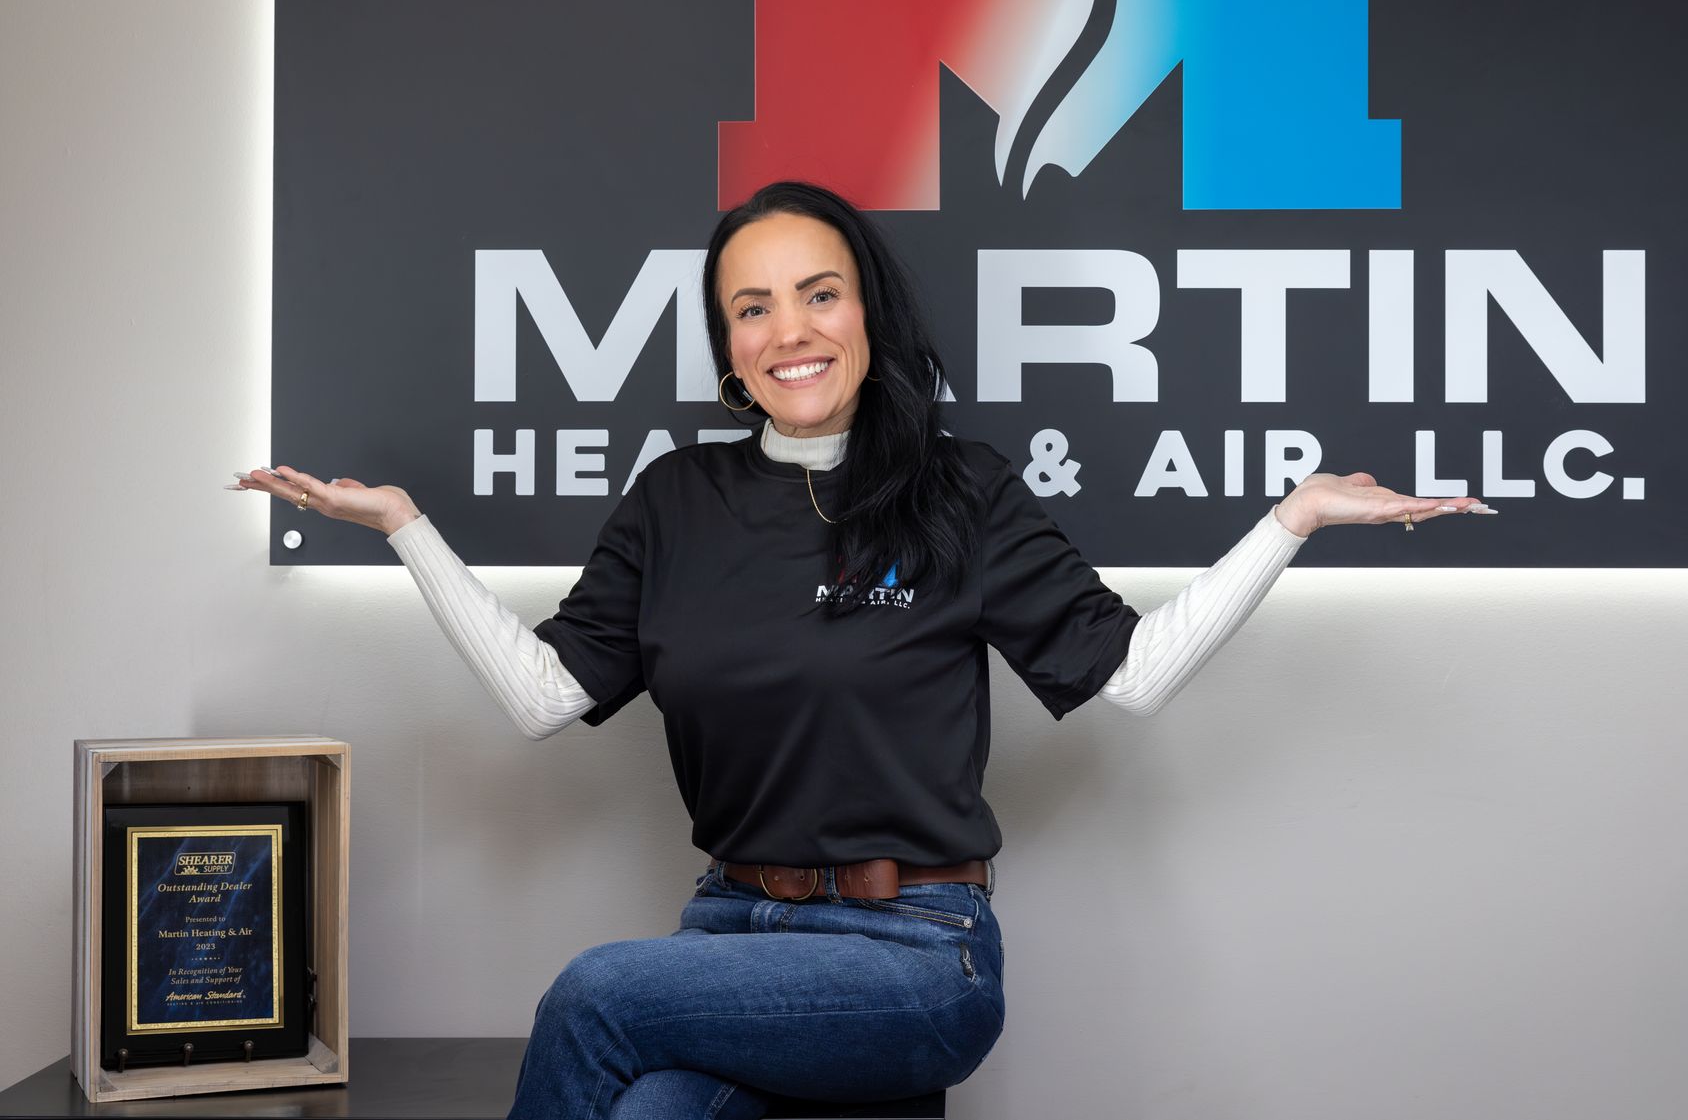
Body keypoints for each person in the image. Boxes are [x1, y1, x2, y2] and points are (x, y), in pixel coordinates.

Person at [230, 180, 1489, 1118]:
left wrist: (1293, 518)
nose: (792, 330)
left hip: (915, 953)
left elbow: (1134, 674)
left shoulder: (961, 492)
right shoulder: (676, 501)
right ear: (729, 346)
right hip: (728, 932)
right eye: (753, 307)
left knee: (596, 994)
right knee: (650, 1111)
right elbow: (543, 695)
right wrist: (405, 528)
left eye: (819, 294)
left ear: (865, 313)